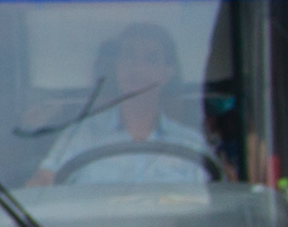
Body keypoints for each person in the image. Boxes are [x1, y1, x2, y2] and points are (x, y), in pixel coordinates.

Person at [41, 21, 207, 180]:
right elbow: (42, 186)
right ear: (117, 66)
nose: (137, 68)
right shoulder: (80, 136)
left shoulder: (190, 144)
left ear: (168, 73)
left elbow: (209, 200)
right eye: (129, 56)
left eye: (150, 59)